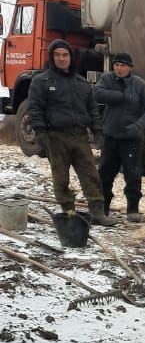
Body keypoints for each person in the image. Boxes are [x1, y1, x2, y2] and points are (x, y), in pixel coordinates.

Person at [26, 39, 118, 226]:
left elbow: (93, 110)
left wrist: (98, 133)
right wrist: (41, 133)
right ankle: (69, 212)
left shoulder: (82, 83)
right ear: (51, 57)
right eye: (57, 55)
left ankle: (98, 213)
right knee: (61, 178)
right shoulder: (41, 81)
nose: (61, 59)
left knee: (91, 175)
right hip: (55, 137)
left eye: (65, 55)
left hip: (79, 137)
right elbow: (34, 109)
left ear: (70, 57)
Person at [94, 52, 145, 224]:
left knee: (133, 174)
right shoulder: (107, 79)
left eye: (123, 65)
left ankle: (132, 209)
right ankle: (103, 209)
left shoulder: (140, 85)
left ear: (130, 67)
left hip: (131, 138)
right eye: (116, 65)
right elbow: (97, 94)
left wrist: (138, 126)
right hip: (111, 136)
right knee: (105, 174)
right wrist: (119, 96)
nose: (119, 68)